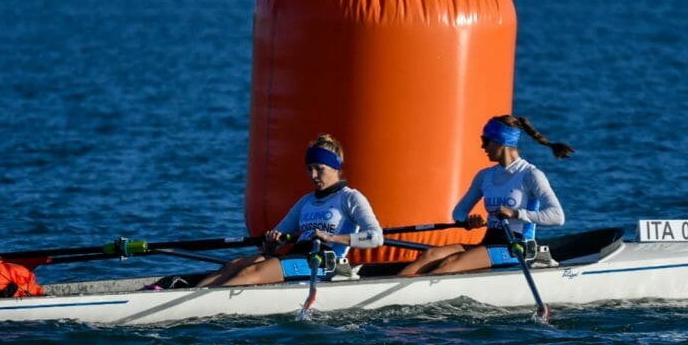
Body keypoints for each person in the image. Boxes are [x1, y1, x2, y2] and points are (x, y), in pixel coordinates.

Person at [195, 134, 383, 287]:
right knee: (233, 265)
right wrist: (271, 243)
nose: (313, 175)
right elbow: (277, 238)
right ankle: (191, 295)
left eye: (319, 168)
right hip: (297, 256)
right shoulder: (306, 201)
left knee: (249, 272)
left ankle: (201, 305)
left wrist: (332, 238)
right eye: (309, 169)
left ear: (335, 168)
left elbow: (376, 237)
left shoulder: (351, 198)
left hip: (322, 263)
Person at [398, 115, 572, 276]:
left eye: (485, 141)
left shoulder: (531, 175)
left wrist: (516, 213)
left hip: (516, 247)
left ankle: (409, 297)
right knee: (430, 254)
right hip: (488, 242)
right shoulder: (484, 176)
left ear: (501, 142)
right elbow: (458, 212)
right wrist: (468, 221)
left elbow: (558, 217)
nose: (483, 147)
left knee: (450, 263)